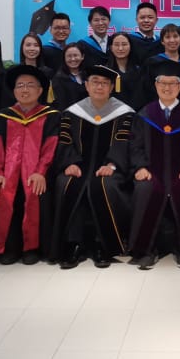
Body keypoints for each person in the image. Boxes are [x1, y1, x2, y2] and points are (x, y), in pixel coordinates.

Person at [52, 65, 135, 269]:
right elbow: (64, 140)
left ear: (111, 88)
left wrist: (112, 164)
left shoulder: (124, 113)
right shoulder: (72, 113)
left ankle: (102, 244)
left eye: (105, 83)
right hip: (79, 167)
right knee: (67, 182)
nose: (99, 86)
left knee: (105, 185)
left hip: (109, 167)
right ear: (87, 85)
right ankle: (73, 244)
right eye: (95, 82)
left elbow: (124, 141)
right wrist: (70, 163)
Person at [128, 66, 180, 269]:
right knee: (145, 188)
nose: (167, 88)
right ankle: (146, 250)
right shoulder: (145, 114)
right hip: (151, 172)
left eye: (172, 83)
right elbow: (135, 146)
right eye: (163, 83)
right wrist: (140, 167)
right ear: (155, 85)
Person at [0, 65, 60, 265]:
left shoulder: (51, 115)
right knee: (3, 192)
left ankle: (32, 248)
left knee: (36, 192)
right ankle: (10, 248)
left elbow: (51, 146)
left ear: (40, 90)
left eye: (30, 85)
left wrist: (41, 172)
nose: (25, 90)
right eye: (20, 86)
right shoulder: (3, 116)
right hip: (8, 173)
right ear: (14, 91)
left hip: (39, 173)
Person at [142, 23, 180, 109]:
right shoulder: (153, 63)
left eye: (175, 36)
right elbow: (147, 89)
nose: (172, 40)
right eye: (167, 37)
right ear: (162, 41)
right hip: (158, 108)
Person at [106, 31, 143, 111]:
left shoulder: (139, 70)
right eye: (116, 45)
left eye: (124, 44)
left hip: (136, 113)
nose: (120, 48)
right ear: (111, 47)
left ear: (130, 46)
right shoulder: (105, 71)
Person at [16, 33, 54, 105]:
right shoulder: (14, 72)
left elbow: (49, 99)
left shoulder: (47, 73)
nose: (32, 49)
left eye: (36, 45)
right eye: (28, 45)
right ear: (22, 48)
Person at [49, 42, 88, 108]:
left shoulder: (88, 76)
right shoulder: (59, 79)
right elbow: (60, 105)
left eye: (75, 55)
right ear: (64, 58)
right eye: (69, 56)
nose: (73, 59)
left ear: (82, 56)